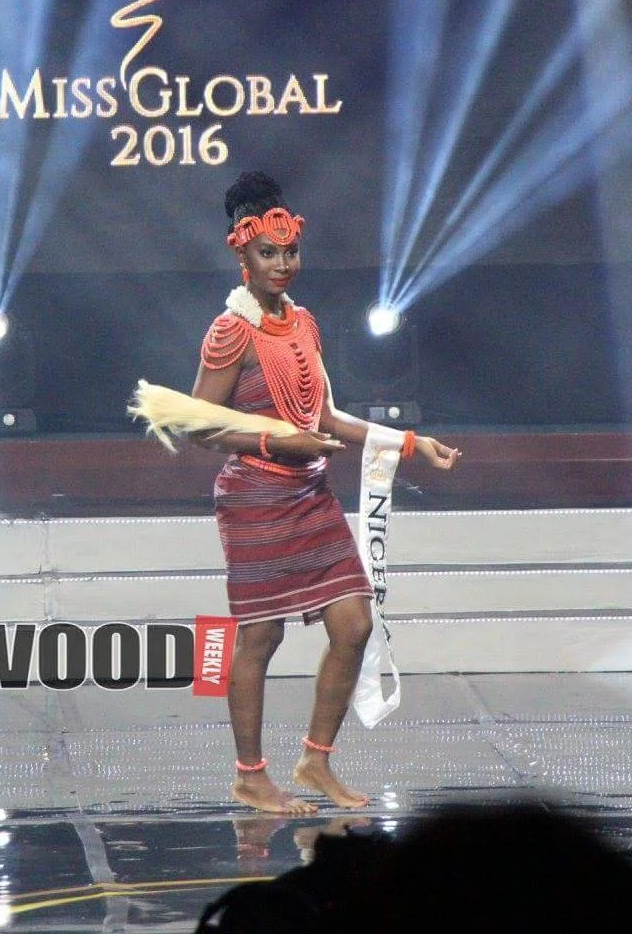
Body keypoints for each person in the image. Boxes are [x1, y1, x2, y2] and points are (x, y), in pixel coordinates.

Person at [189, 172, 461, 816]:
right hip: (254, 498)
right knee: (260, 639)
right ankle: (251, 775)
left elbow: (328, 418)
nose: (282, 264)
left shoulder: (302, 321)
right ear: (242, 254)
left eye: (290, 252)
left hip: (310, 495)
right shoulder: (231, 330)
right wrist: (276, 445)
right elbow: (199, 424)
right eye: (268, 253)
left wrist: (410, 443)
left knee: (353, 622)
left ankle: (315, 760)